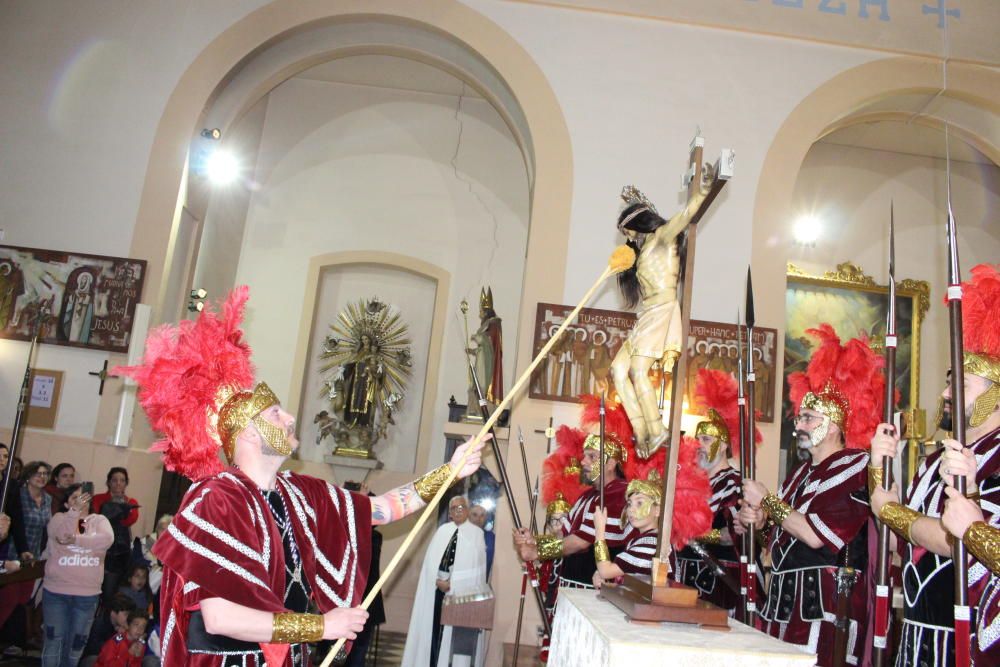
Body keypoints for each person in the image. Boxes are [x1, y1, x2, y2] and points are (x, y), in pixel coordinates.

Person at [113, 286, 485, 666]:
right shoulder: (217, 500)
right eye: (275, 414)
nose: (290, 417)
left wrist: (450, 471)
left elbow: (381, 510)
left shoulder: (300, 493)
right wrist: (320, 627)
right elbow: (220, 617)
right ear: (249, 433)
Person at [870, 262, 1000, 667]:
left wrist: (889, 510)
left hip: (962, 634)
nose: (945, 391)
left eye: (958, 382)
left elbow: (955, 538)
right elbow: (896, 544)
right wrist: (879, 472)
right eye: (948, 379)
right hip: (916, 633)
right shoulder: (935, 460)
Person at [741, 325, 884, 666]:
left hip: (821, 603)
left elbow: (815, 535)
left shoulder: (855, 465)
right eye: (799, 417)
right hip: (784, 601)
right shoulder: (799, 473)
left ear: (833, 425)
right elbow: (782, 534)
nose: (798, 425)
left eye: (808, 418)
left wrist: (768, 502)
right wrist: (760, 521)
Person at [610, 172, 716, 455]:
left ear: (637, 223)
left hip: (661, 308)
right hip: (646, 313)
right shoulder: (642, 251)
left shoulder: (661, 238)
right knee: (618, 371)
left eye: (628, 230)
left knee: (637, 371)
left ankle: (657, 429)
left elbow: (684, 216)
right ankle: (642, 431)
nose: (628, 237)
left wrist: (704, 189)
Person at [514, 396, 636, 589]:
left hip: (595, 588)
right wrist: (535, 541)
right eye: (585, 456)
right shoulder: (588, 495)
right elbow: (564, 535)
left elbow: (580, 543)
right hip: (572, 584)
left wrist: (537, 553)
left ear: (611, 463)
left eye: (592, 457)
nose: (583, 462)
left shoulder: (617, 494)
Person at [674, 368, 761, 613]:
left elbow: (732, 532)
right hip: (685, 576)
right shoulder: (690, 481)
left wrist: (692, 533)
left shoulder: (734, 482)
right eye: (698, 438)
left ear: (723, 446)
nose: (698, 445)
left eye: (707, 440)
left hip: (719, 580)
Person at [400, 495, 487, 667]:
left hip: (460, 598)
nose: (458, 511)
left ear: (467, 510)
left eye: (461, 507)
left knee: (452, 644)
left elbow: (476, 571)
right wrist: (437, 580)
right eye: (454, 508)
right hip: (437, 594)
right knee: (432, 635)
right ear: (450, 513)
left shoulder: (477, 534)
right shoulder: (442, 531)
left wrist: (453, 583)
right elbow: (429, 565)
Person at [41, 482, 114, 667]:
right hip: (57, 592)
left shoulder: (98, 521)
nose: (81, 501)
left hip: (87, 595)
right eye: (75, 498)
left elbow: (106, 540)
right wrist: (73, 513)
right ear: (66, 504)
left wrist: (77, 539)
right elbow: (61, 535)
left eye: (83, 497)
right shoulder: (60, 518)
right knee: (54, 641)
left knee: (75, 646)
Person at [92, 467, 140, 601]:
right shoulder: (98, 499)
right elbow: (96, 520)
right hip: (101, 550)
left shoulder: (131, 502)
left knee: (112, 592)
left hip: (120, 552)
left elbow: (129, 520)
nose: (118, 483)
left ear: (126, 483)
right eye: (114, 480)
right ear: (108, 482)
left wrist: (119, 507)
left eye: (122, 480)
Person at [80, 594, 137, 666]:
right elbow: (95, 650)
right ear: (113, 613)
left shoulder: (126, 627)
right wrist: (117, 637)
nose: (129, 618)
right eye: (126, 614)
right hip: (93, 658)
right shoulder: (99, 624)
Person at [468, 504, 495, 578]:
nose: (478, 518)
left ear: (486, 518)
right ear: (468, 517)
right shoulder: (459, 535)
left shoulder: (491, 537)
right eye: (474, 515)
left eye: (482, 515)